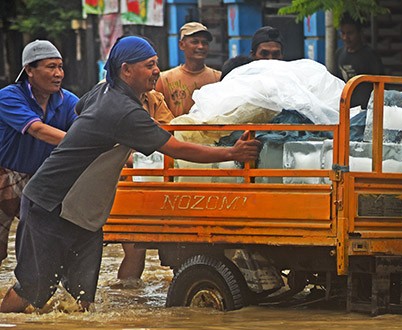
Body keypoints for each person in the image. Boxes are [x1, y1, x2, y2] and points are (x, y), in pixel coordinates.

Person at [0, 36, 260, 314]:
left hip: (85, 213)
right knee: (33, 290)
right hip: (50, 205)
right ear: (126, 70)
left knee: (81, 300)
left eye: (156, 64)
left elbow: (79, 109)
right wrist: (232, 154)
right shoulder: (123, 111)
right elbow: (176, 148)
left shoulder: (101, 93)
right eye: (149, 65)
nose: (156, 71)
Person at [0, 40, 79, 265]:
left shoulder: (68, 101)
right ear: (29, 71)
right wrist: (81, 142)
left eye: (60, 67)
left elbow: (85, 127)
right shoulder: (9, 97)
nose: (58, 74)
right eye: (51, 67)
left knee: (47, 245)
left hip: (41, 177)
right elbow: (37, 129)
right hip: (5, 174)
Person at [115, 88, 175, 284]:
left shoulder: (154, 98)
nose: (155, 71)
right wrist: (134, 159)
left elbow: (168, 132)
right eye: (149, 66)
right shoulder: (106, 97)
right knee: (135, 251)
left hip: (154, 178)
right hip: (125, 182)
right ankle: (126, 298)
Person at [155, 22, 221, 116]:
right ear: (182, 45)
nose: (200, 46)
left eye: (204, 43)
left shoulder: (218, 78)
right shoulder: (164, 79)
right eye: (195, 42)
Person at [333, 14, 385, 108]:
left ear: (360, 33)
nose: (345, 37)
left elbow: (380, 84)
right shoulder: (339, 54)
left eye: (350, 33)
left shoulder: (370, 56)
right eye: (343, 33)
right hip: (346, 110)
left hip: (366, 110)